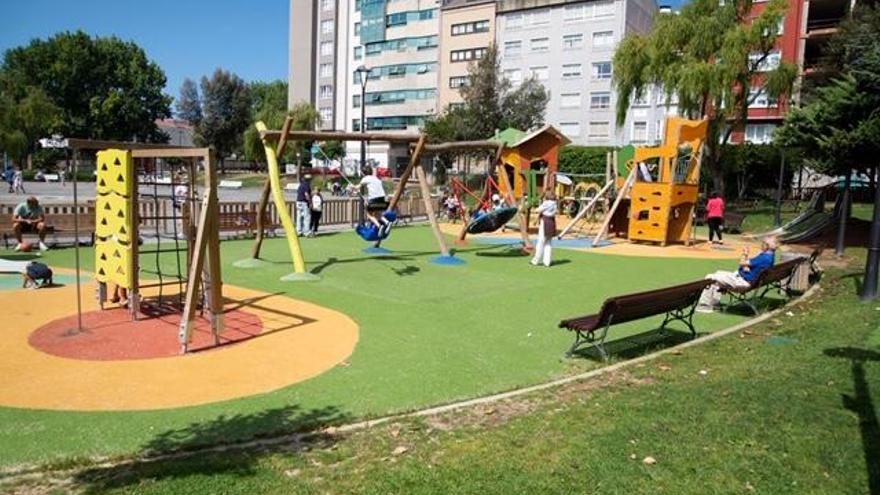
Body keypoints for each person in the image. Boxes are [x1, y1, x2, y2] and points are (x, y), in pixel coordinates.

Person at [696, 237, 779, 312]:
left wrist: (745, 253)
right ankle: (715, 303)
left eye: (763, 243)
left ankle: (704, 306)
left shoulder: (764, 258)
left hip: (742, 282)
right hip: (746, 280)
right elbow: (752, 266)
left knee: (710, 277)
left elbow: (742, 262)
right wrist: (746, 267)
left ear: (766, 246)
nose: (761, 245)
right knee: (718, 273)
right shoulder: (770, 257)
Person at [358, 166, 390, 233]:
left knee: (369, 215)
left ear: (363, 173)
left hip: (375, 199)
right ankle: (387, 222)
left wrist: (351, 187)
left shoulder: (365, 178)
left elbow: (357, 187)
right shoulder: (376, 178)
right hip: (383, 200)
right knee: (377, 214)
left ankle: (379, 226)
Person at [530, 190, 558, 267]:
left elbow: (537, 210)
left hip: (545, 222)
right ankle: (547, 261)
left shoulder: (546, 203)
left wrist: (535, 206)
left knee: (540, 242)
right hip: (551, 222)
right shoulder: (555, 204)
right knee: (548, 242)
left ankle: (535, 260)